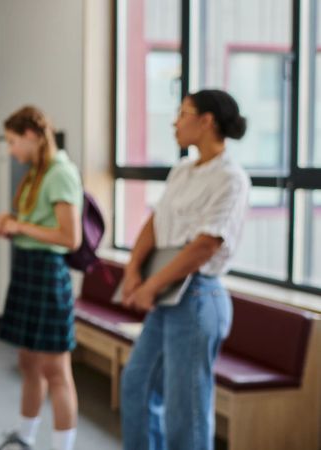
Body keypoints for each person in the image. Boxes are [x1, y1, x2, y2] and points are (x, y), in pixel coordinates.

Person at [119, 89, 250, 450]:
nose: (175, 122)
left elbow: (206, 245)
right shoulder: (182, 170)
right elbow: (155, 223)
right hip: (166, 296)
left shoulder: (231, 178)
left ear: (206, 121)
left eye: (183, 113)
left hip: (197, 298)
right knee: (136, 386)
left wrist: (151, 285)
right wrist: (133, 270)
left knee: (185, 412)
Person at [0, 106, 83, 450]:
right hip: (29, 268)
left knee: (57, 371)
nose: (11, 150)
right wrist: (12, 223)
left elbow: (70, 238)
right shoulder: (37, 170)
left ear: (31, 136)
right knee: (28, 362)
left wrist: (20, 226)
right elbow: (40, 222)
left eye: (13, 142)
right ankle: (26, 437)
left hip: (47, 273)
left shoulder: (60, 172)